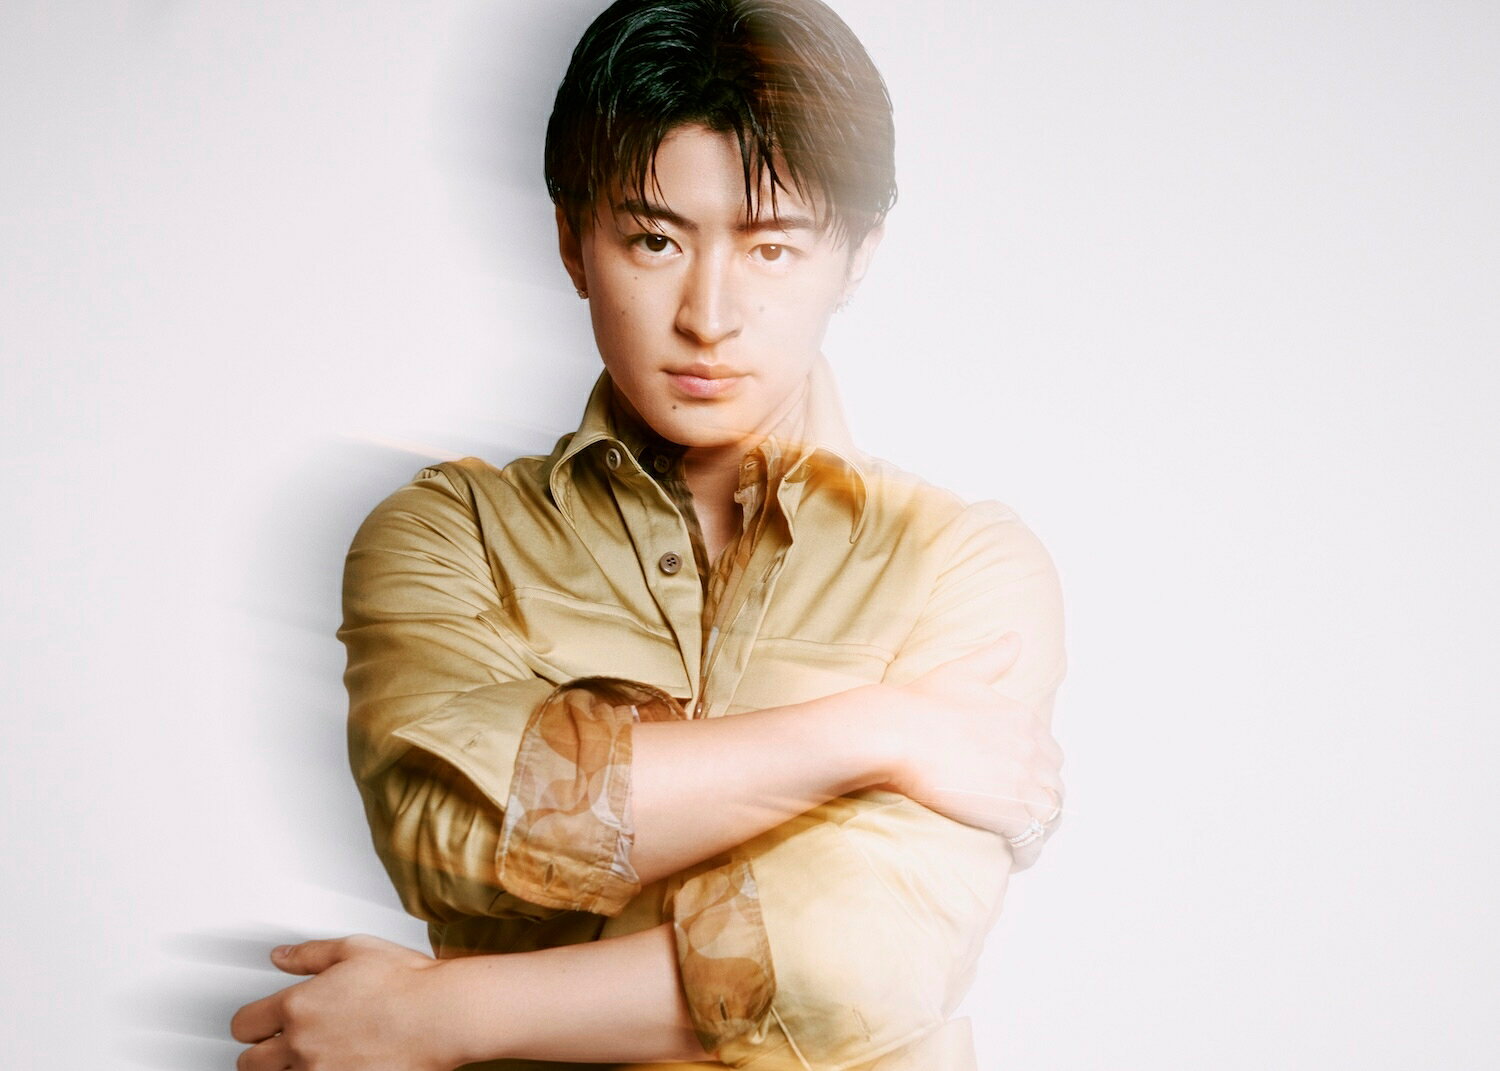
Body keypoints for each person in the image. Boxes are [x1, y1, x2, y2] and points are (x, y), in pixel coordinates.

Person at [229, 1, 1067, 1068]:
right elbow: (456, 833)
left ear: (857, 256)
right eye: (655, 239)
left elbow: (862, 963)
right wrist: (872, 733)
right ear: (573, 241)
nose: (708, 315)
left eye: (772, 247)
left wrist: (437, 1015)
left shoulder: (960, 565)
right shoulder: (450, 534)